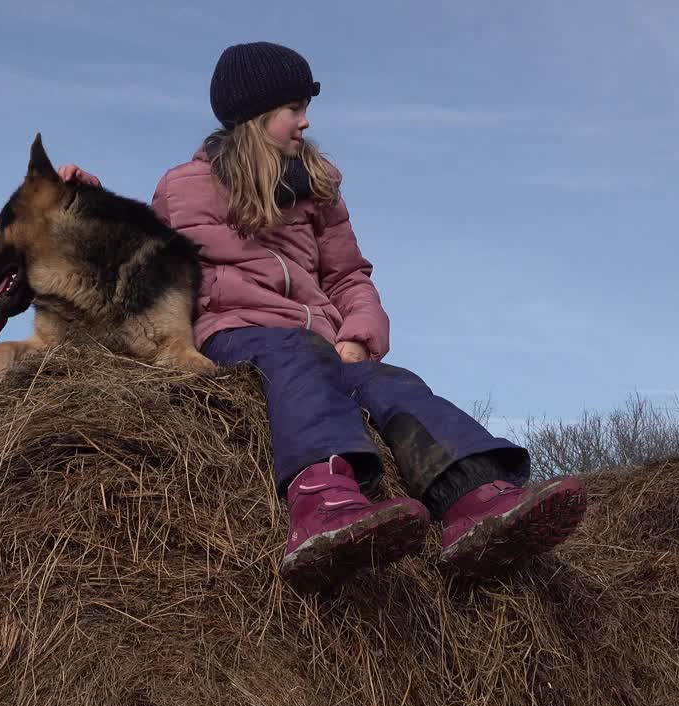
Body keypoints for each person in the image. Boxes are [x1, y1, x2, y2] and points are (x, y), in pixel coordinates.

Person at [56, 42, 586, 594]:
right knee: (297, 354)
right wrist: (88, 204)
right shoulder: (183, 187)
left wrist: (358, 335)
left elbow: (349, 275)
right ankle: (321, 502)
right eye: (294, 108)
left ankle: (475, 497)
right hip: (234, 332)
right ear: (256, 116)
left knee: (391, 382)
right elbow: (144, 253)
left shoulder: (320, 188)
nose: (306, 121)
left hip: (320, 337)